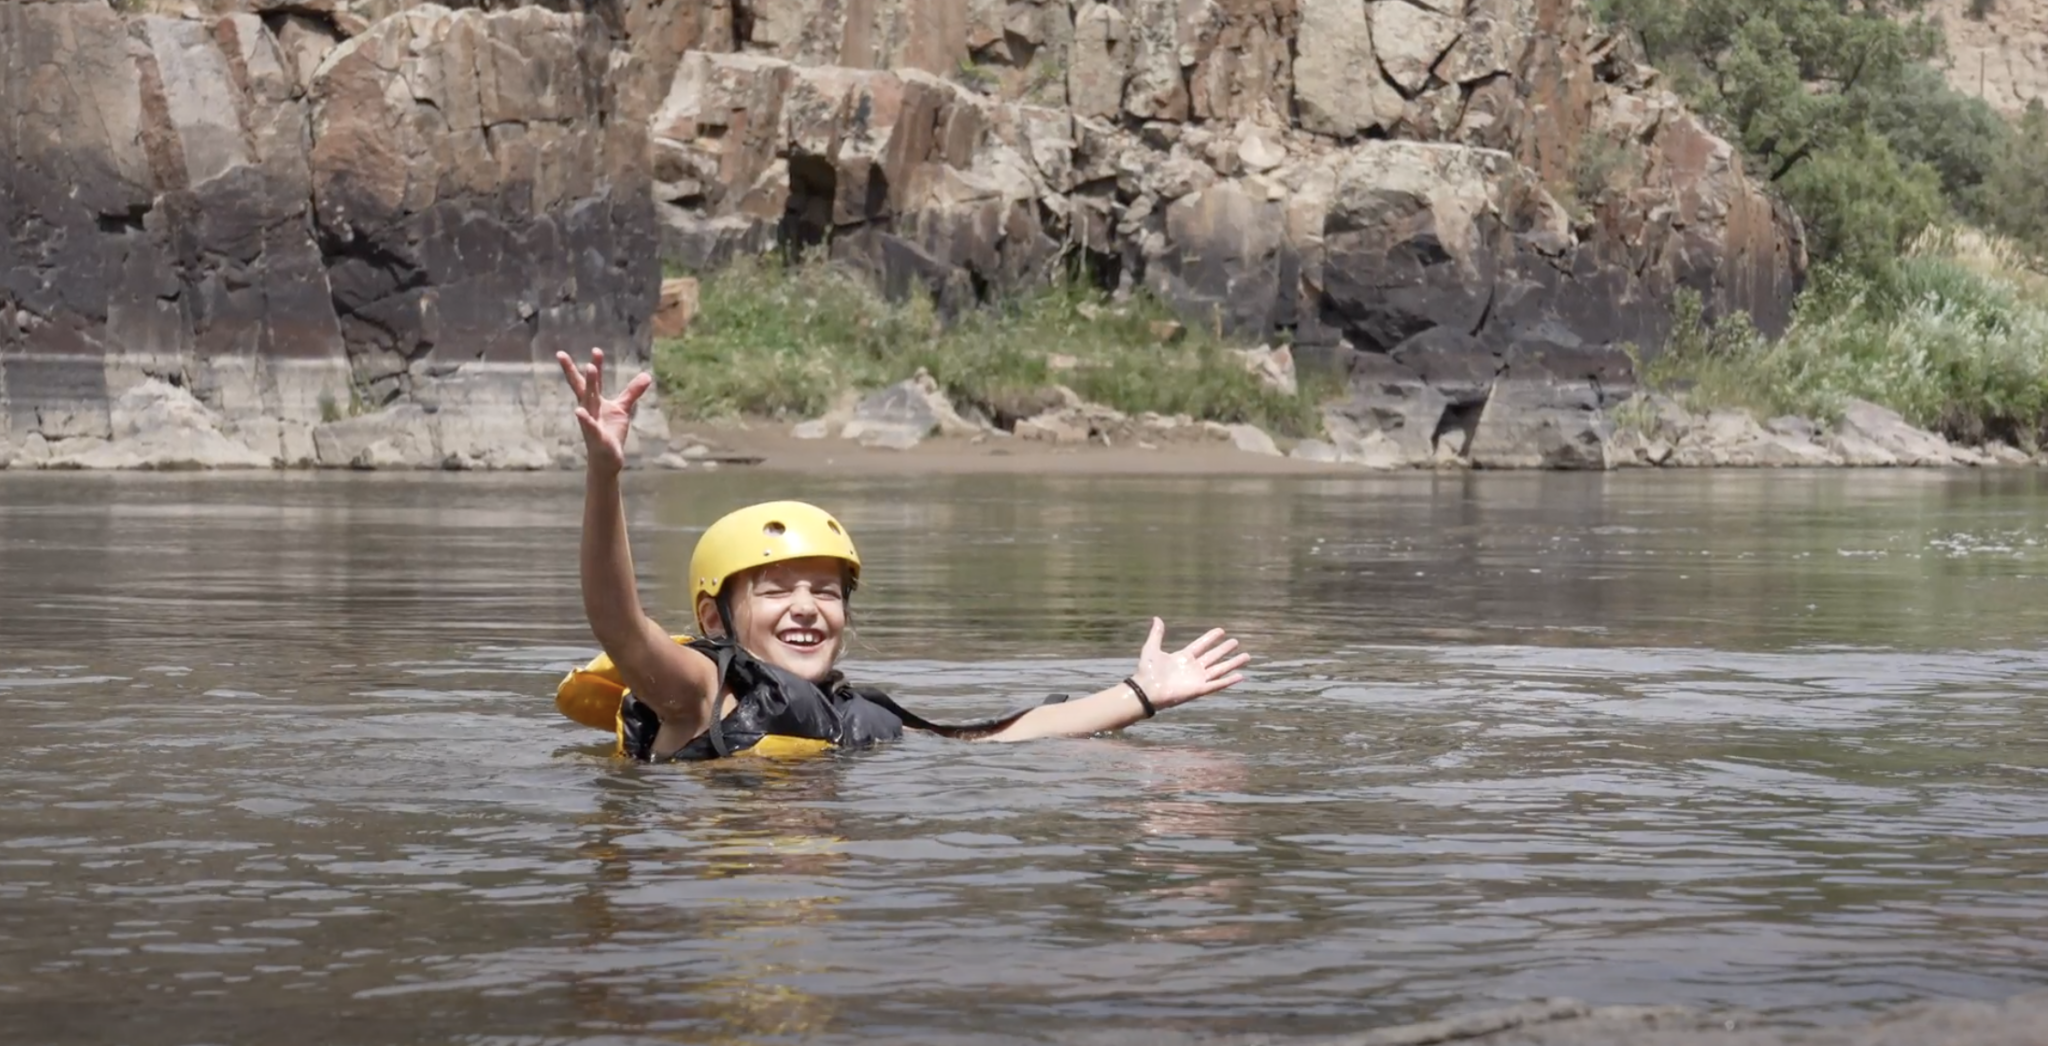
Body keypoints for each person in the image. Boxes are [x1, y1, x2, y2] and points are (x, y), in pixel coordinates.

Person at [552, 347, 1252, 761]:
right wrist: (604, 476)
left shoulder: (858, 714)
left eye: (826, 592)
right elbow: (620, 624)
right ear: (715, 616)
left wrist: (1140, 695)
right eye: (776, 590)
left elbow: (1003, 736)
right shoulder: (702, 691)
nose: (806, 609)